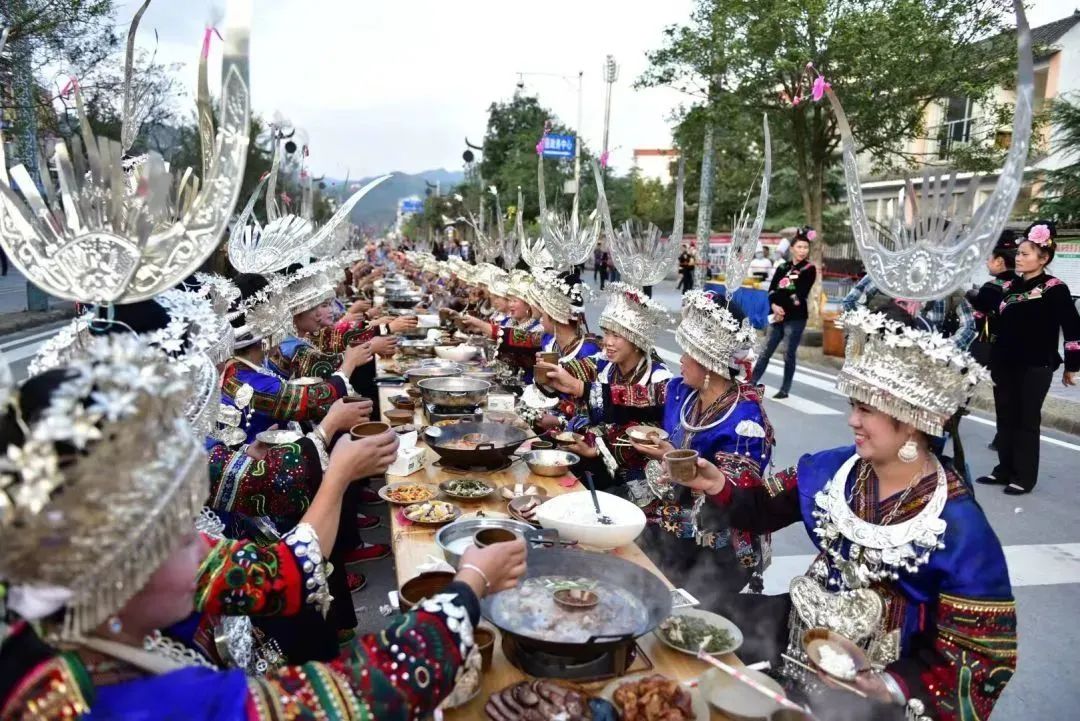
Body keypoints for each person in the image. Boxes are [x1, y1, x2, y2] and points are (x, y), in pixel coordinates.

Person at [0, 341, 529, 719]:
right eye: (183, 536)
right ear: (114, 566)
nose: (205, 549)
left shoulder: (52, 628)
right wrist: (470, 584)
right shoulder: (145, 706)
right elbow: (359, 693)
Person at [672, 307, 1015, 721]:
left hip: (876, 684)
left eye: (867, 410)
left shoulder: (961, 529)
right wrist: (717, 485)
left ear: (911, 422)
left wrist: (890, 685)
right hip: (798, 631)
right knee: (698, 630)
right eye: (855, 405)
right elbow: (762, 508)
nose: (852, 420)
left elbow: (977, 657)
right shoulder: (833, 469)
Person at [623, 291, 775, 609]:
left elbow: (733, 497)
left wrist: (672, 460)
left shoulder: (745, 419)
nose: (679, 360)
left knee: (668, 600)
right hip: (678, 521)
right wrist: (580, 387)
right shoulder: (684, 391)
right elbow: (633, 396)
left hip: (717, 544)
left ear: (708, 363)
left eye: (687, 353)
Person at [539, 283, 673, 501]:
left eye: (616, 335)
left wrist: (597, 448)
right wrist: (551, 372)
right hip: (599, 456)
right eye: (606, 333)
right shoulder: (606, 364)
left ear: (636, 341)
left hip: (638, 474)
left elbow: (647, 432)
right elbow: (576, 369)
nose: (607, 343)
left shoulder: (659, 377)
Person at [977, 220, 1080, 495]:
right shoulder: (1010, 285)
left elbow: (1072, 328)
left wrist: (1072, 367)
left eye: (1025, 254)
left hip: (1036, 365)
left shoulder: (1055, 288)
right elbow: (994, 317)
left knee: (1026, 420)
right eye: (1019, 254)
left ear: (1043, 258)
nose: (1019, 259)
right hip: (1004, 363)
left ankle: (1024, 477)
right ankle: (1004, 470)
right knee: (1005, 418)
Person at [751, 226, 817, 398]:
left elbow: (800, 294)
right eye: (800, 247)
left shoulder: (809, 269)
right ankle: (752, 381)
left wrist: (784, 306)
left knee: (788, 353)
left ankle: (785, 389)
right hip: (776, 315)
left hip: (795, 317)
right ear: (792, 248)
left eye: (805, 247)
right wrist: (774, 306)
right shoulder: (782, 267)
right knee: (766, 350)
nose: (803, 250)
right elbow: (772, 290)